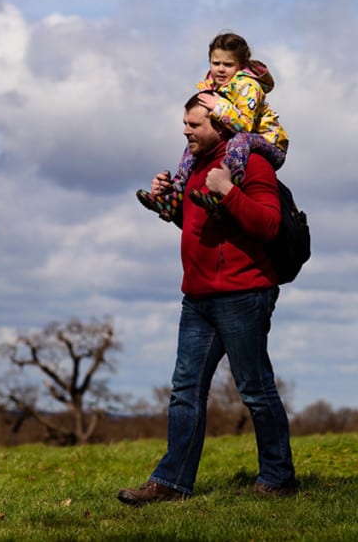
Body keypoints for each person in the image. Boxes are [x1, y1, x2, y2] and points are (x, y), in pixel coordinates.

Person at [118, 92, 297, 506]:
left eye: (194, 124)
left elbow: (269, 225)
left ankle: (278, 476)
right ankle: (172, 483)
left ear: (220, 124)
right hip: (197, 297)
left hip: (244, 294)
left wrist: (229, 191)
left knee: (254, 389)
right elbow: (197, 223)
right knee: (184, 390)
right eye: (185, 123)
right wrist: (168, 203)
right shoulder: (194, 166)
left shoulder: (252, 164)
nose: (185, 130)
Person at [136, 31, 289, 221]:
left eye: (228, 64)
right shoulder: (211, 86)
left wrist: (219, 107)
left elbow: (246, 127)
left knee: (240, 140)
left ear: (241, 66)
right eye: (216, 63)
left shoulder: (249, 86)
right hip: (237, 141)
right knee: (195, 143)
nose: (221, 69)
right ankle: (173, 195)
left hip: (268, 143)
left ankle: (225, 186)